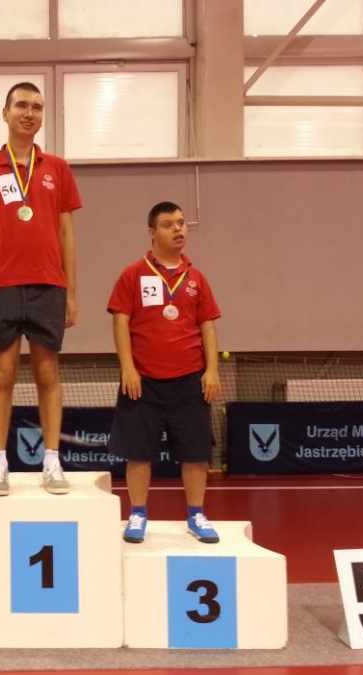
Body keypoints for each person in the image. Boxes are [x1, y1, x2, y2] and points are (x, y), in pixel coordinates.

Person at [0, 81, 82, 497]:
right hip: (1, 286)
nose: (29, 113)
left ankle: (52, 460)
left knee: (48, 373)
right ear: (5, 113)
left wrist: (71, 291)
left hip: (49, 284)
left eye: (37, 107)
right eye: (21, 105)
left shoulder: (57, 169)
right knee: (3, 374)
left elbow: (67, 232)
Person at [106, 202, 223, 544]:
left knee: (196, 454)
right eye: (169, 224)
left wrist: (212, 371)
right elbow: (120, 322)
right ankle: (138, 513)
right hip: (143, 382)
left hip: (190, 380)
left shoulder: (197, 279)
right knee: (138, 454)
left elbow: (207, 326)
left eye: (182, 223)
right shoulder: (133, 275)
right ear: (152, 233)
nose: (178, 229)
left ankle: (196, 514)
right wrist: (128, 368)